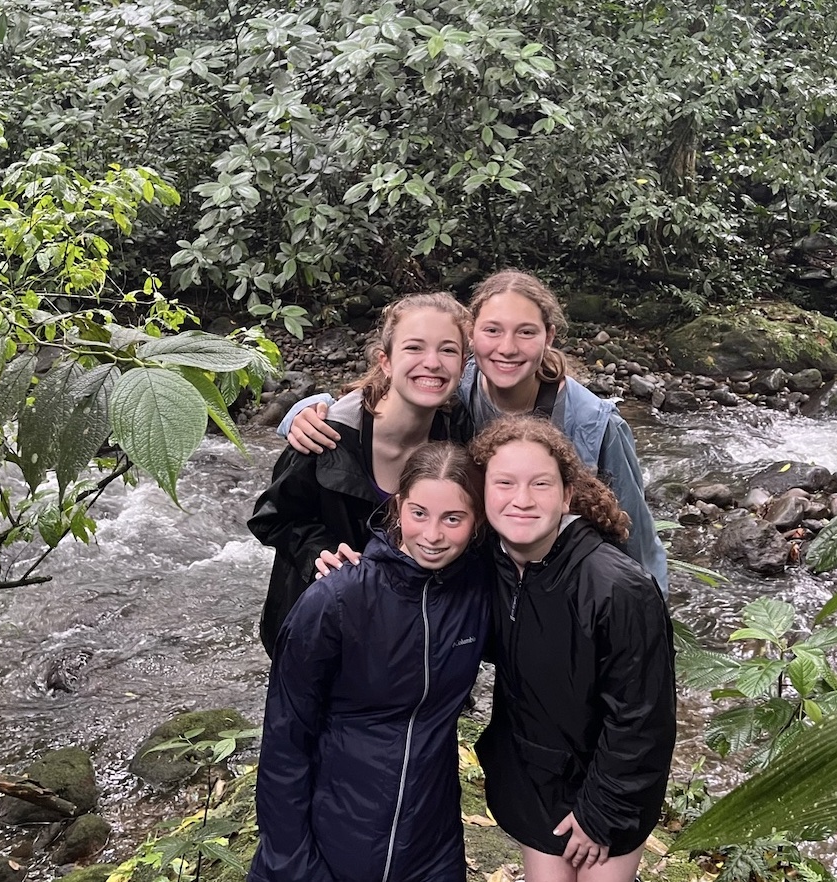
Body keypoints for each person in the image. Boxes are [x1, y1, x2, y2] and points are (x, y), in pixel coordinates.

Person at [279, 268, 669, 596]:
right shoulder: (453, 386)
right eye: (492, 330)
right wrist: (304, 411)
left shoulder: (595, 423)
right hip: (481, 589)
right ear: (472, 338)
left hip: (569, 591)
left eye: (526, 333)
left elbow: (635, 539)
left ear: (548, 337)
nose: (507, 348)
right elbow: (385, 390)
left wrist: (649, 618)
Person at [247, 442, 491, 882]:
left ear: (477, 523)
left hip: (432, 844)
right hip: (332, 842)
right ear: (397, 508)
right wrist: (292, 862)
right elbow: (285, 740)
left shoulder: (477, 594)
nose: (432, 535)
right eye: (419, 513)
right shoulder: (336, 600)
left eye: (453, 518)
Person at [470, 415, 675, 882]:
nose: (522, 500)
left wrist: (601, 814)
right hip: (537, 778)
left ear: (566, 496)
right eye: (504, 483)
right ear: (482, 493)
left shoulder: (618, 589)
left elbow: (643, 719)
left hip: (612, 787)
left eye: (540, 484)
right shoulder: (490, 563)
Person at [248, 291, 473, 656]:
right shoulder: (325, 434)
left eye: (447, 350)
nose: (432, 363)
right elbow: (272, 518)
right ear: (386, 361)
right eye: (414, 348)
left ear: (463, 365)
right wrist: (318, 552)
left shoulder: (460, 435)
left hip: (405, 638)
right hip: (317, 633)